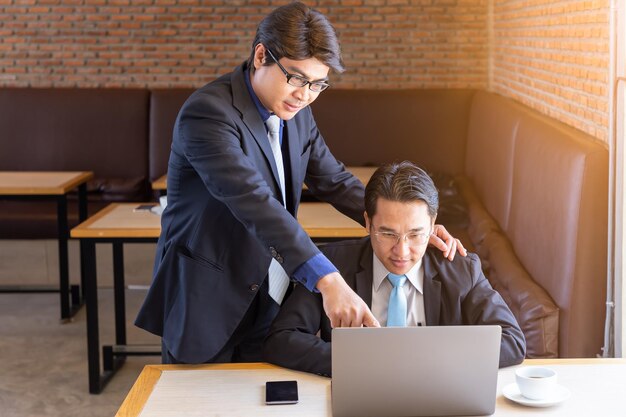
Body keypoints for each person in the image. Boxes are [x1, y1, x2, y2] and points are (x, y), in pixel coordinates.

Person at [135, 2, 465, 365]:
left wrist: (401, 224)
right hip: (208, 298)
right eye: (296, 78)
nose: (305, 94)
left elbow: (333, 180)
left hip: (270, 292)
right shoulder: (208, 114)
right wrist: (328, 280)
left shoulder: (298, 113)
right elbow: (256, 204)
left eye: (318, 84)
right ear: (261, 55)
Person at [264, 161, 526, 376]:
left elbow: (512, 341)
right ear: (367, 222)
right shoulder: (332, 267)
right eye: (388, 234)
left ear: (433, 223)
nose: (402, 252)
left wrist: (428, 361)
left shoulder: (460, 269)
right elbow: (282, 340)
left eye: (415, 235)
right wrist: (365, 363)